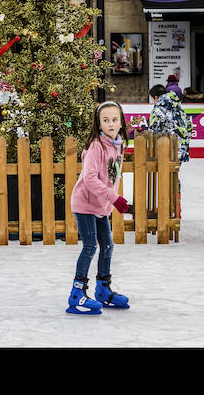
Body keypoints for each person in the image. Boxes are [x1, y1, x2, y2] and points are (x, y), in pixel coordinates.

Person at [66, 100, 131, 315]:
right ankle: (77, 294)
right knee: (90, 247)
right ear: (98, 123)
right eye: (106, 120)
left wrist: (110, 200)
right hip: (84, 203)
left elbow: (113, 176)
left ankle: (103, 289)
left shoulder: (118, 144)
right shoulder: (96, 146)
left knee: (108, 246)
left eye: (115, 119)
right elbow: (90, 178)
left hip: (101, 205)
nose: (111, 124)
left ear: (121, 122)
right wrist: (115, 198)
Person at [147, 84, 192, 218]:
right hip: (180, 149)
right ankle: (176, 207)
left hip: (166, 149)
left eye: (153, 99)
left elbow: (152, 130)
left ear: (156, 97)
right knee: (173, 176)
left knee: (165, 177)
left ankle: (165, 206)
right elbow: (189, 126)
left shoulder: (158, 109)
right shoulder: (178, 107)